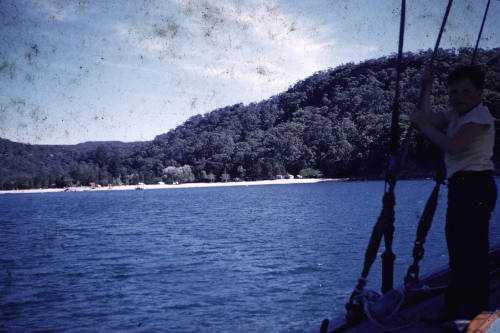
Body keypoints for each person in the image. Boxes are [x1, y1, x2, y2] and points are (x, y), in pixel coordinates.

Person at [410, 65, 497, 320]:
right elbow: (425, 117)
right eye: (454, 92)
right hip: (462, 187)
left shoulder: (479, 116)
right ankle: (457, 309)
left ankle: (473, 314)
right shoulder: (455, 114)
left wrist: (423, 126)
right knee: (460, 251)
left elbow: (454, 146)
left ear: (479, 93)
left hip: (476, 186)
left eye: (465, 92)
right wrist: (426, 86)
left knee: (471, 253)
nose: (458, 97)